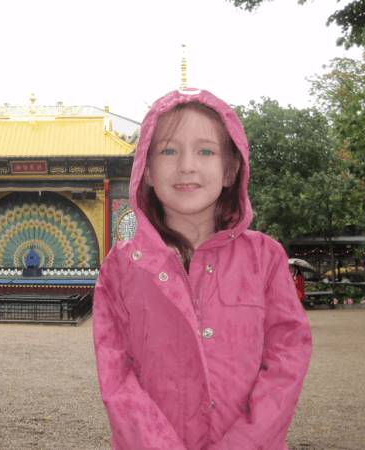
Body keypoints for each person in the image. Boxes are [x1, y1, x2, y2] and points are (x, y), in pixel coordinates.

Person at [93, 88, 313, 450]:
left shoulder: (265, 257)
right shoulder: (120, 267)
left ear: (230, 170)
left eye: (205, 151)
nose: (187, 166)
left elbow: (287, 358)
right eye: (168, 151)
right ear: (146, 171)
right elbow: (116, 376)